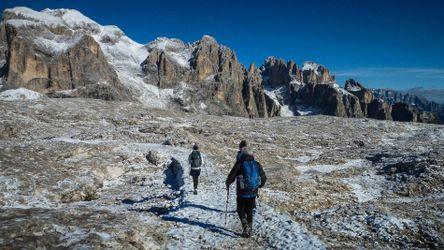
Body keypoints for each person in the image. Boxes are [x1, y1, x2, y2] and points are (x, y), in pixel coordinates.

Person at [226, 143, 266, 238]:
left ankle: (245, 226)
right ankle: (250, 228)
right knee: (249, 210)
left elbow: (232, 175)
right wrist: (260, 185)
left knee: (240, 209)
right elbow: (264, 177)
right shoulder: (256, 164)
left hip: (242, 191)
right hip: (253, 191)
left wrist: (228, 183)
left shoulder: (240, 163)